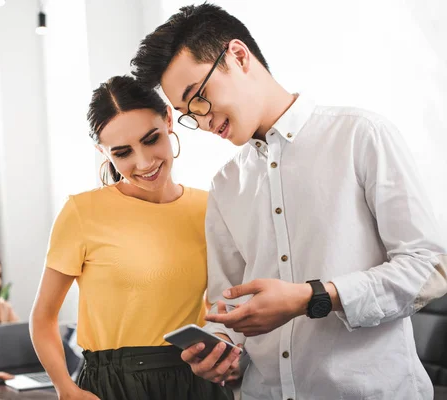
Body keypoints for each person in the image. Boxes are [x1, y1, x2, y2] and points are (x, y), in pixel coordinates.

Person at [130, 3, 447, 400]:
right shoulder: (226, 184)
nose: (204, 120)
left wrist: (314, 296)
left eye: (199, 98)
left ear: (239, 56)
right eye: (187, 114)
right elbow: (227, 307)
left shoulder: (360, 136)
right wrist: (220, 351)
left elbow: (429, 268)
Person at [29, 75, 236, 400]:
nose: (144, 162)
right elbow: (43, 317)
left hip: (194, 382)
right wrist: (65, 388)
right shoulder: (82, 212)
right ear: (102, 151)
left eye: (151, 139)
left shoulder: (208, 207)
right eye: (122, 152)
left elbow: (219, 306)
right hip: (113, 385)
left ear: (169, 119)